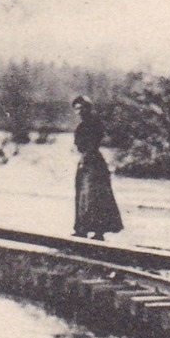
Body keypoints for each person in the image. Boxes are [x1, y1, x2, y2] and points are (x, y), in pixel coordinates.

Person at [71, 95, 124, 241]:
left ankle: (98, 230)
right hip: (85, 162)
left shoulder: (94, 124)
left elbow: (92, 144)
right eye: (76, 109)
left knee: (95, 196)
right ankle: (82, 228)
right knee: (83, 195)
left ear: (88, 108)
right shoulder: (82, 126)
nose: (79, 111)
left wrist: (85, 157)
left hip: (93, 163)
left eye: (82, 108)